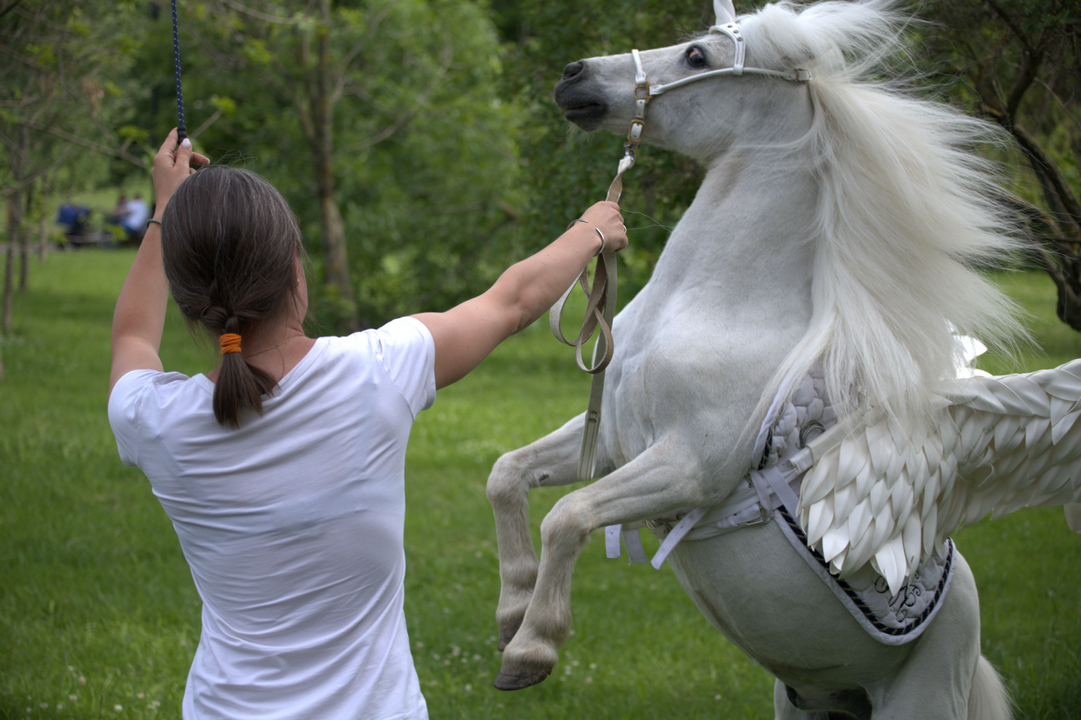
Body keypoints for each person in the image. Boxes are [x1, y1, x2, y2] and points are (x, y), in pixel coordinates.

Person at [107, 129, 626, 719]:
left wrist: (165, 214)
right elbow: (511, 302)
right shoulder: (376, 372)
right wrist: (593, 228)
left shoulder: (156, 422)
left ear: (189, 298)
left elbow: (131, 337)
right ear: (293, 272)